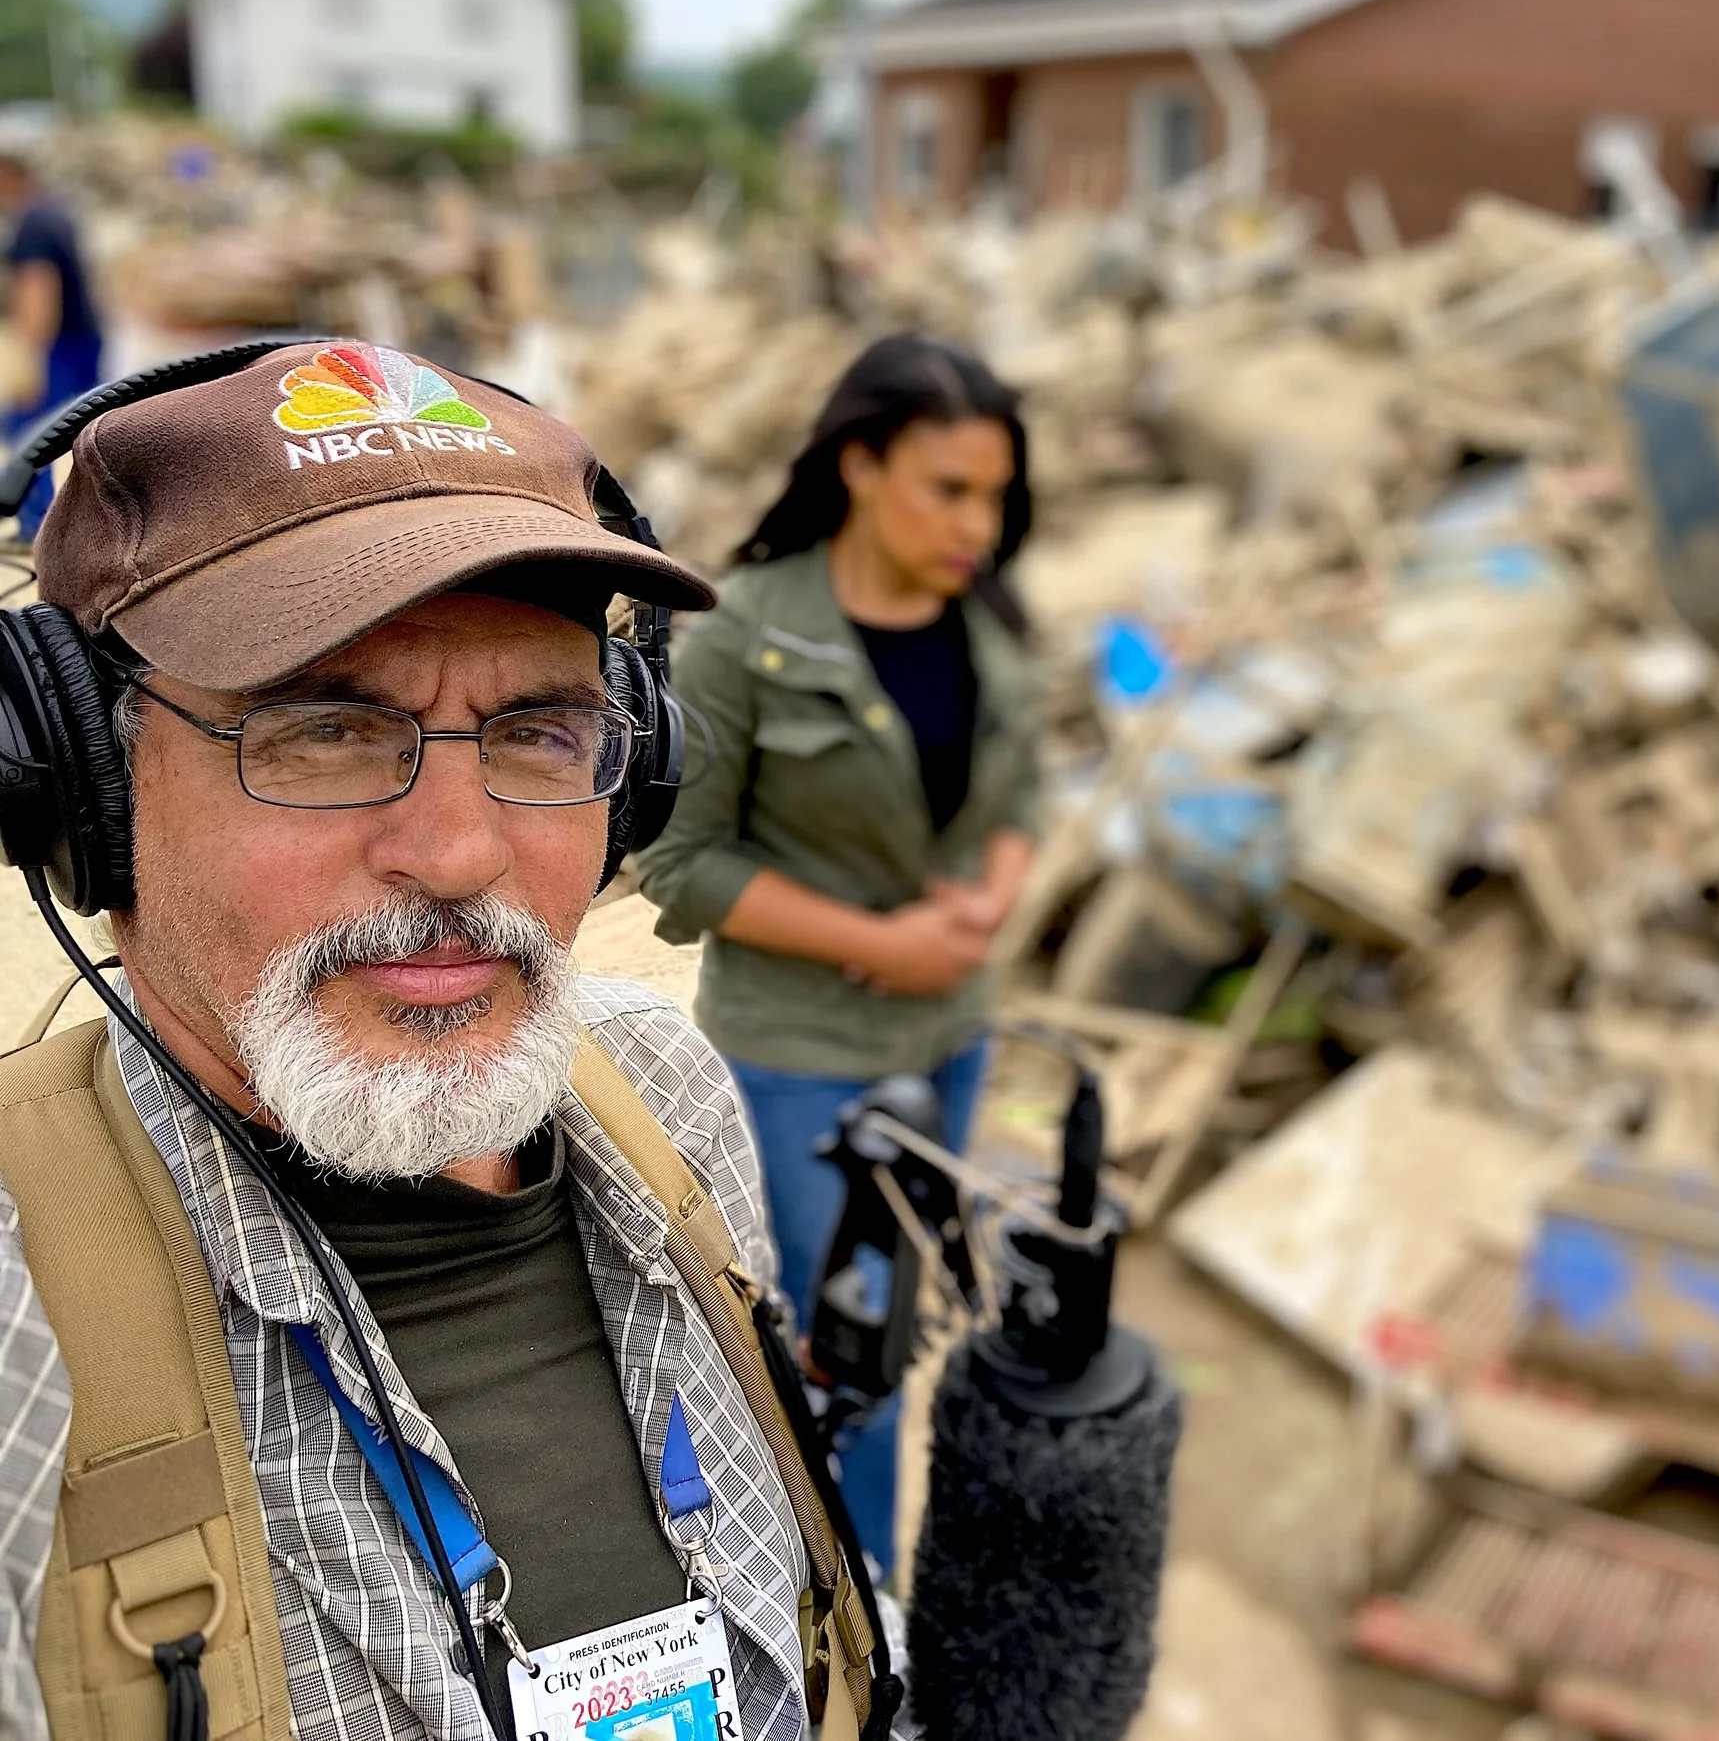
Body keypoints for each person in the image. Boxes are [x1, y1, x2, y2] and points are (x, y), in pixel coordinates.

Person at [0, 342, 883, 1741]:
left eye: (539, 728)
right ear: (81, 794)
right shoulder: (15, 1307)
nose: (463, 851)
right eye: (326, 729)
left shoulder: (661, 1087)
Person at [638, 335, 1040, 1573]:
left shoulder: (987, 622)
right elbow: (679, 859)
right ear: (859, 464)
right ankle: (853, 1606)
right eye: (949, 489)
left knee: (898, 1311)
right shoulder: (746, 635)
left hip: (945, 1040)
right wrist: (881, 944)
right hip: (800, 1059)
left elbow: (1019, 798)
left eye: (997, 495)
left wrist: (988, 905)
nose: (980, 523)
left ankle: (870, 1585)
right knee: (835, 1339)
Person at [0, 150, 105, 538]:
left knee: (31, 432)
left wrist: (30, 357)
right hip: (81, 340)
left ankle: (41, 529)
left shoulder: (33, 225)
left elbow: (38, 289)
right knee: (77, 431)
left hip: (58, 346)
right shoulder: (55, 212)